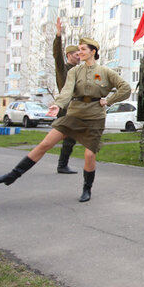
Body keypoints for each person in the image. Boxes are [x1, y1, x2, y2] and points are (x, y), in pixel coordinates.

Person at [0, 38, 131, 202]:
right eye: (78, 49)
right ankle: (13, 175)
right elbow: (67, 91)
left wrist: (109, 100)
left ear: (93, 51)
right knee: (45, 144)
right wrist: (58, 105)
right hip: (74, 114)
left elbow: (125, 88)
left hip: (94, 118)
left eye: (83, 49)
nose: (80, 52)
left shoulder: (106, 72)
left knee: (89, 155)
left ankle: (87, 189)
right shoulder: (74, 71)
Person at [53, 17, 82, 174]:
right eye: (77, 54)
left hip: (75, 109)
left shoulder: (79, 71)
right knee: (56, 137)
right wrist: (58, 35)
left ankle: (62, 165)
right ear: (69, 55)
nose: (79, 56)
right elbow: (57, 55)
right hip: (65, 108)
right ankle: (32, 158)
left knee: (70, 138)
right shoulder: (63, 68)